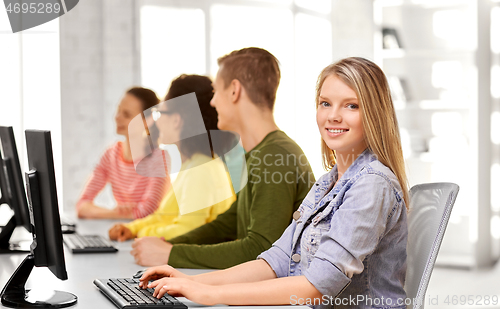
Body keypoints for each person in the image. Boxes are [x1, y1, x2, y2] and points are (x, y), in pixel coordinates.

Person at [137, 57, 410, 308]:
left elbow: (317, 287)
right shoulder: (329, 181)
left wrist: (210, 294)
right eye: (325, 103)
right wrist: (193, 281)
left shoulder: (372, 184)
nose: (333, 115)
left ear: (374, 113)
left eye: (351, 105)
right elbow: (276, 259)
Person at [130, 47, 315, 269]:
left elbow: (261, 249)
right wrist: (167, 244)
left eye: (217, 91)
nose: (213, 102)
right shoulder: (260, 153)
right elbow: (227, 224)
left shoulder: (274, 155)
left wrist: (171, 254)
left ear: (234, 91)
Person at [109, 75, 236, 241]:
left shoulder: (200, 170)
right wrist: (131, 228)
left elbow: (187, 231)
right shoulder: (194, 164)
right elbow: (163, 216)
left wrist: (140, 233)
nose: (157, 121)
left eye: (159, 112)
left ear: (176, 120)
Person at [77, 87, 169, 219]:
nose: (117, 117)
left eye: (126, 114)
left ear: (147, 121)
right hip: (122, 232)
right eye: (118, 110)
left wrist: (107, 214)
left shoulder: (159, 158)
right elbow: (82, 205)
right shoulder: (111, 155)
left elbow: (147, 212)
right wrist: (114, 213)